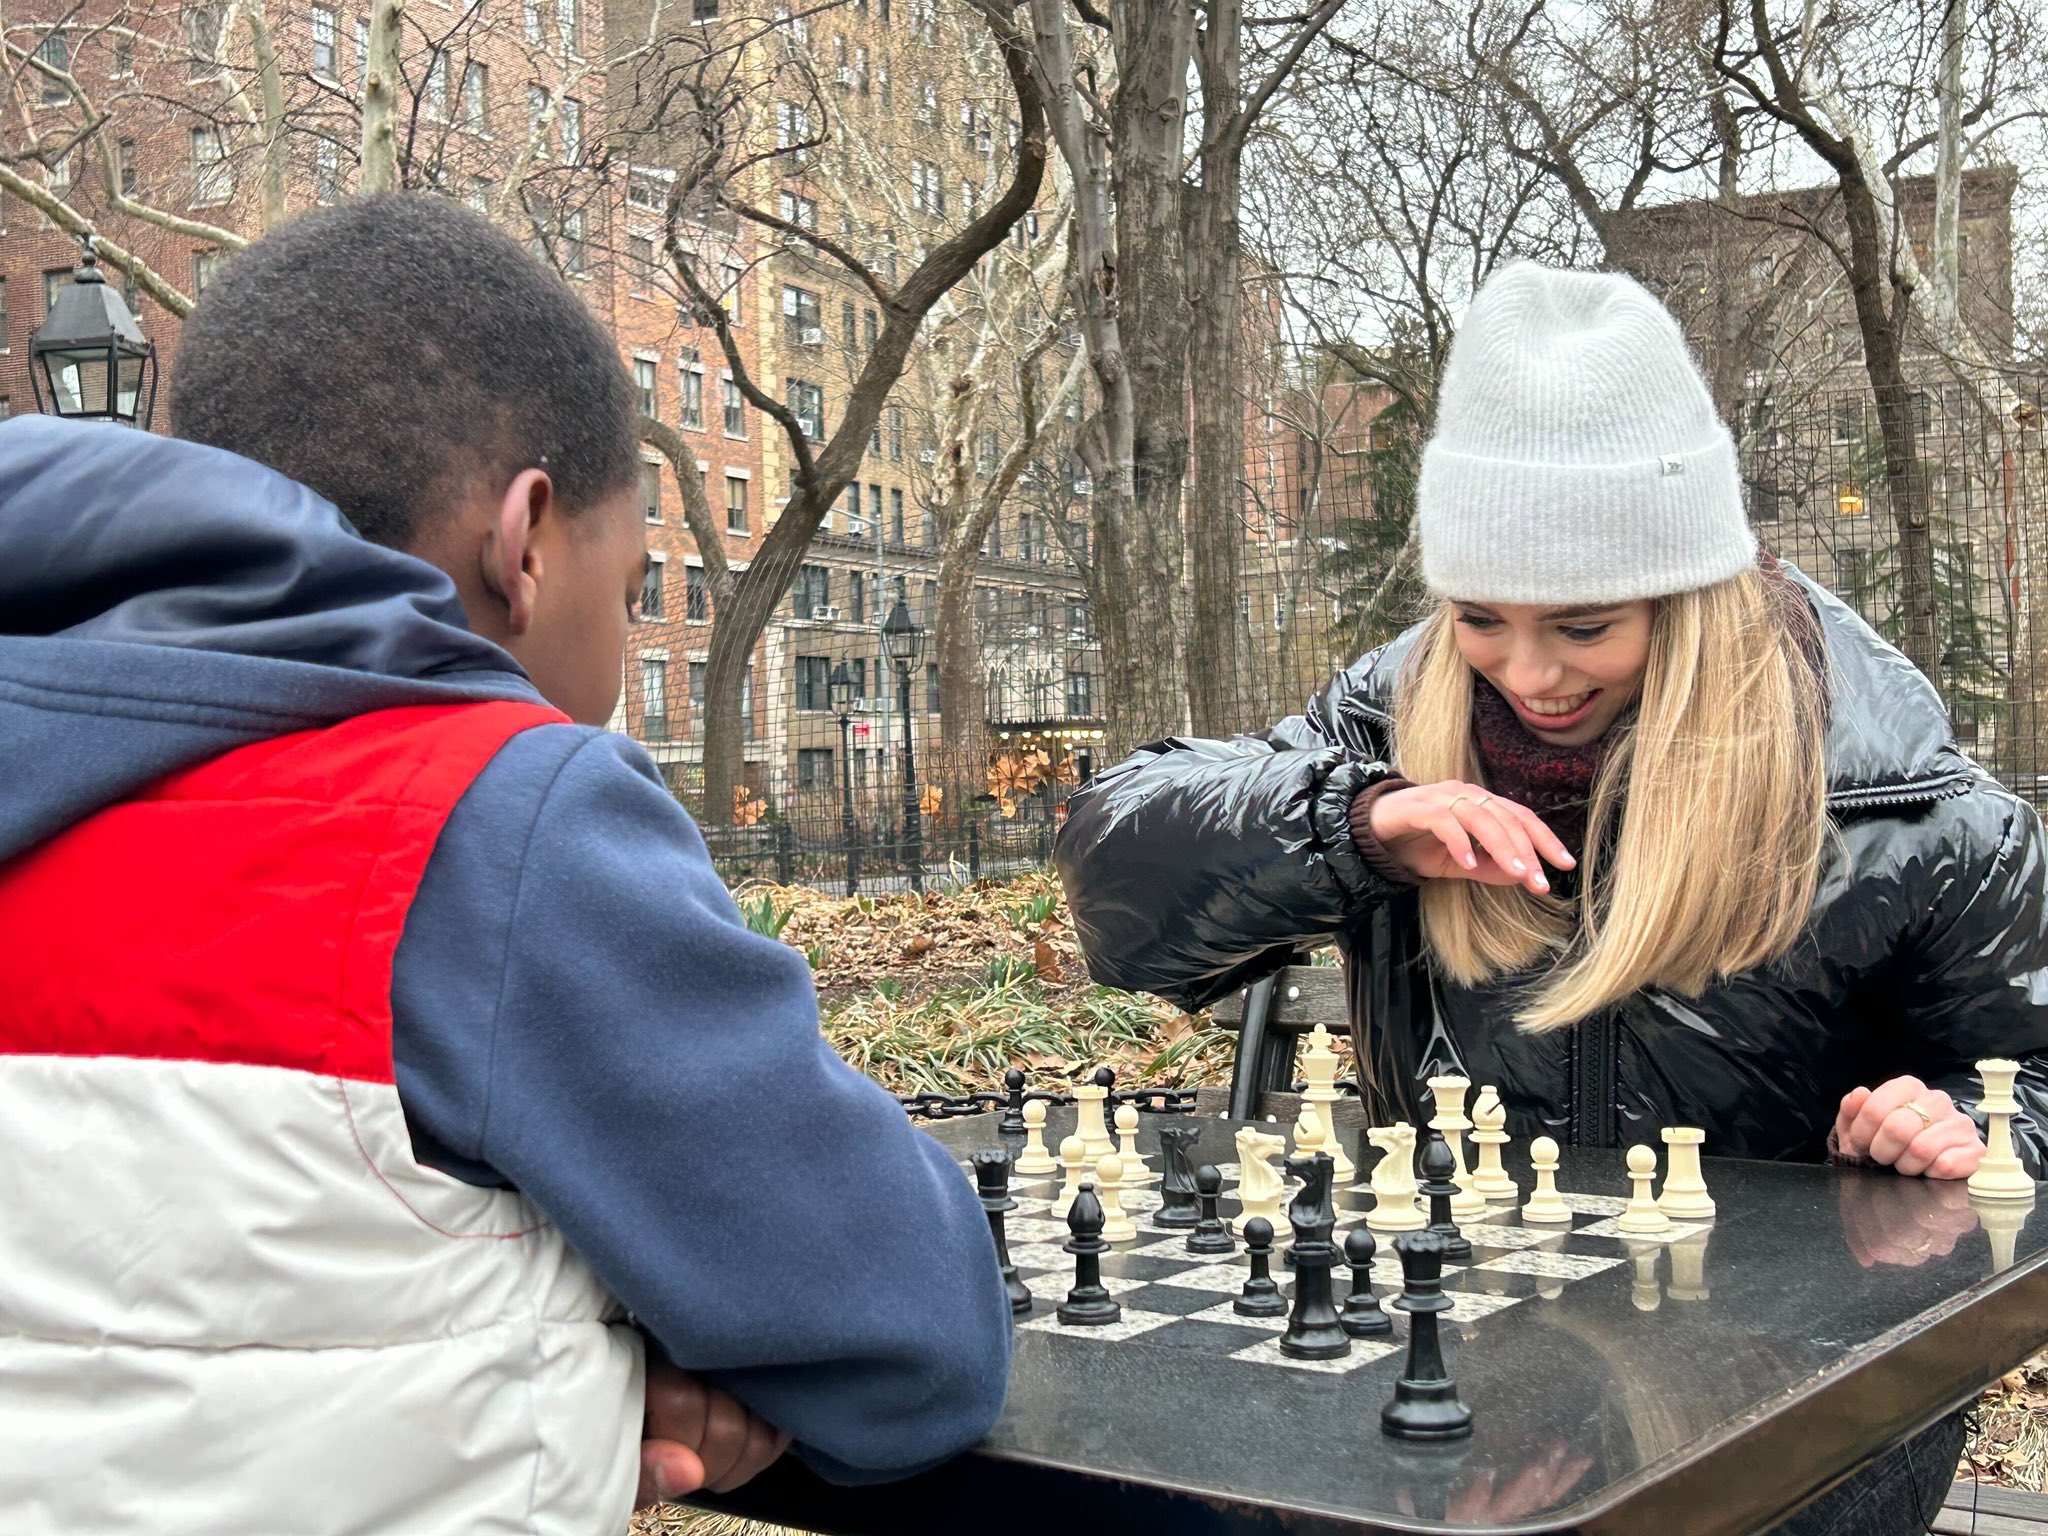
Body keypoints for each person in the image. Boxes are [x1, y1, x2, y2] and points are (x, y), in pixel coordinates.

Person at [0, 195, 1010, 1536]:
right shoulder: (496, 820)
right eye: (634, 578)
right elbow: (911, 1332)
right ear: (526, 541)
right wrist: (610, 1337)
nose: (627, 620)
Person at [1055, 261, 2048, 1533]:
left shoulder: (1898, 801)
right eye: (1478, 617)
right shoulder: (1384, 718)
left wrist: (1969, 1130)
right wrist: (1355, 828)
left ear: (1688, 598)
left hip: (1796, 1388)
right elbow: (1114, 878)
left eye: (1583, 625)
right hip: (1463, 1332)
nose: (1525, 674)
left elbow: (2035, 1078)